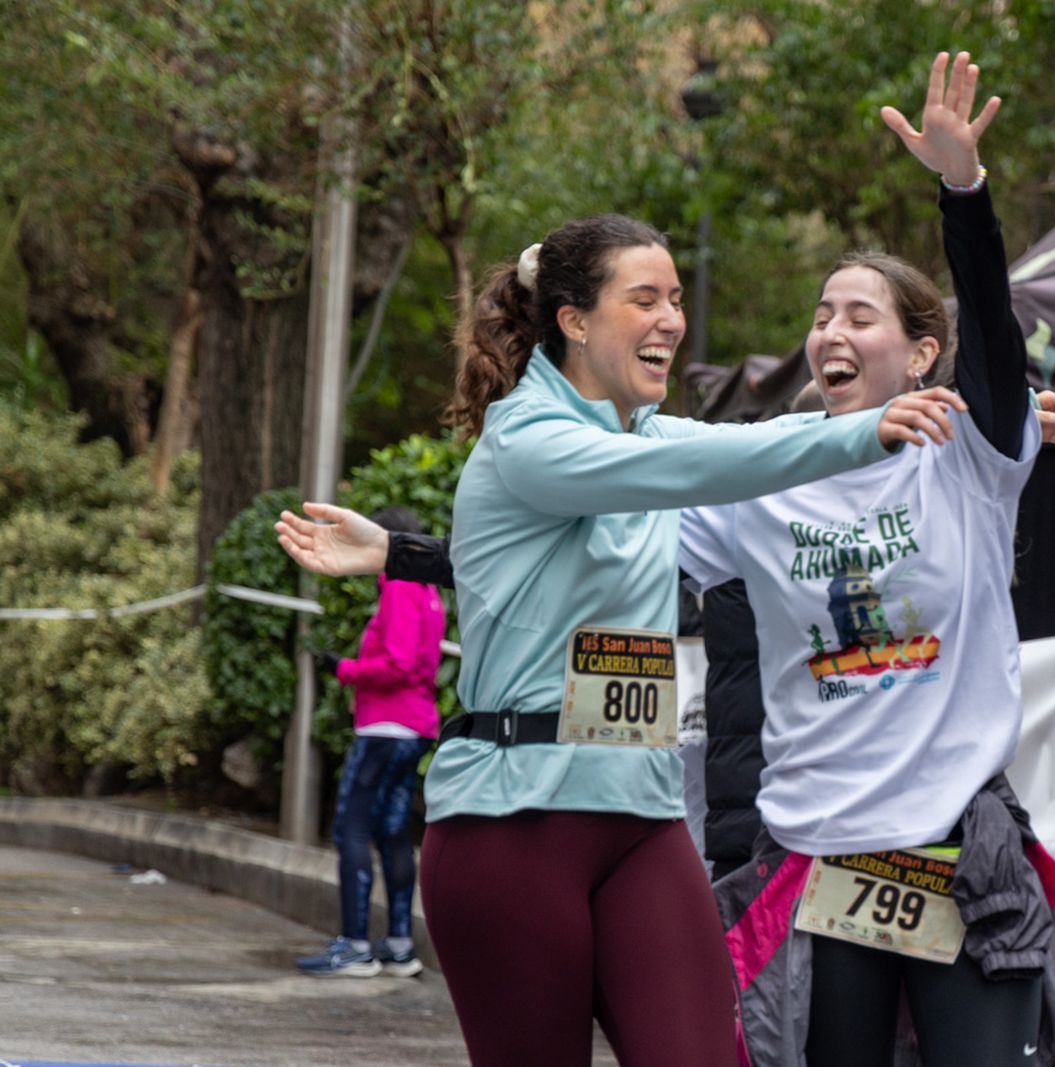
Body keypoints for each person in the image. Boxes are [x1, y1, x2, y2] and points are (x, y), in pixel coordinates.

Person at [281, 213, 965, 1066]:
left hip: (642, 815)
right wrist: (874, 428)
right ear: (573, 320)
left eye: (675, 299)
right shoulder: (528, 437)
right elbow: (701, 468)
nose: (671, 319)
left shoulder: (644, 436)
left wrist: (953, 424)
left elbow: (758, 441)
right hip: (515, 819)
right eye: (645, 299)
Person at [680, 54, 1055, 1067]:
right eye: (822, 314)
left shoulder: (968, 455)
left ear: (919, 355)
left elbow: (993, 337)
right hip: (820, 851)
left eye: (859, 316)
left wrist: (964, 192)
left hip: (957, 849)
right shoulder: (762, 475)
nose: (831, 330)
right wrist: (408, 554)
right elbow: (607, 541)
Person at [293, 506, 444, 979]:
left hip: (384, 728)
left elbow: (398, 663)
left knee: (351, 829)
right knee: (393, 831)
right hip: (415, 727)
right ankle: (399, 945)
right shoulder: (430, 591)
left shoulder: (399, 585)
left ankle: (356, 945)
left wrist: (344, 669)